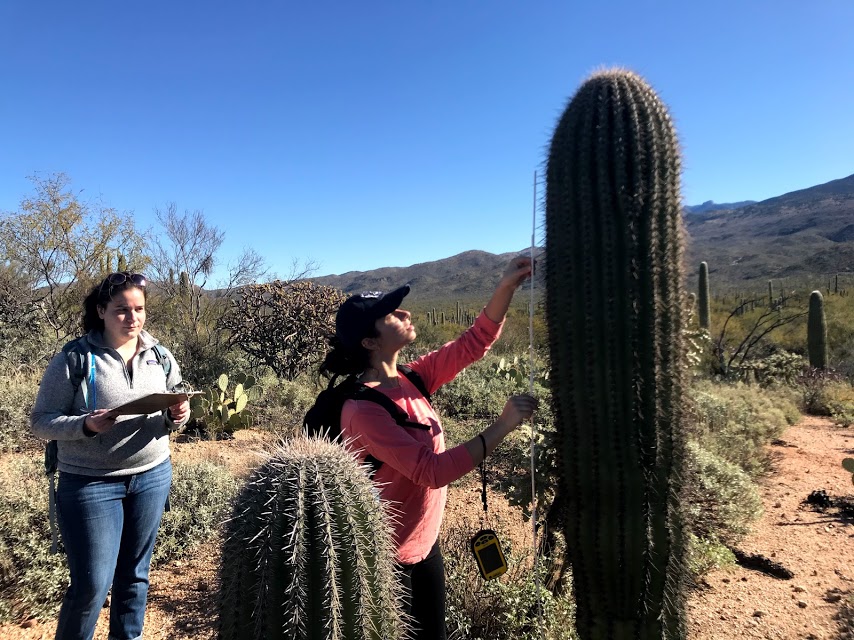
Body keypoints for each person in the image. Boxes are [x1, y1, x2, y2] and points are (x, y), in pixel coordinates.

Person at [317, 256, 538, 640]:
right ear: (370, 341)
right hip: (389, 560)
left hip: (424, 544)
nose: (403, 312)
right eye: (389, 313)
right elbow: (431, 471)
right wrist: (503, 425)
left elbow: (474, 342)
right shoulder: (361, 410)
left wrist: (505, 286)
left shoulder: (411, 378)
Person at [31, 272, 190, 640]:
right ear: (101, 311)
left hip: (151, 476)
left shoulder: (159, 355)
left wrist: (177, 416)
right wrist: (86, 425)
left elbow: (175, 401)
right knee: (91, 586)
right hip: (90, 484)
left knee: (135, 577)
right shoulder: (74, 358)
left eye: (139, 309)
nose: (132, 318)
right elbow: (41, 421)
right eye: (121, 310)